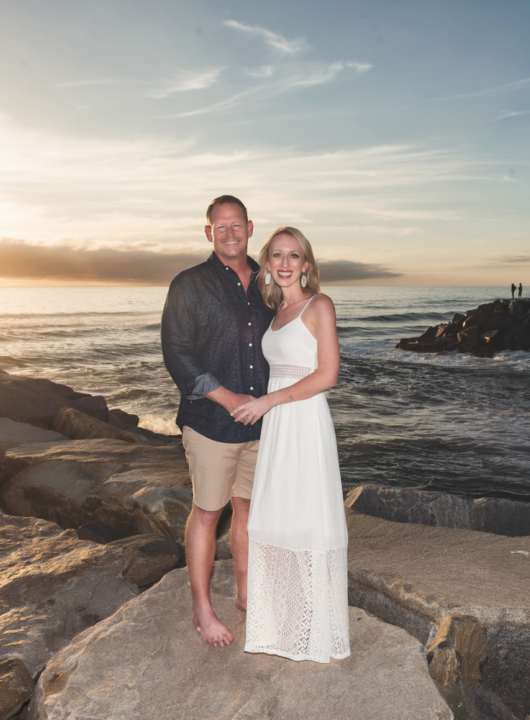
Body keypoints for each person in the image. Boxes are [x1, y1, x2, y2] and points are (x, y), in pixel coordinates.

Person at [231, 227, 350, 663]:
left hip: (302, 418)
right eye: (277, 255)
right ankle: (287, 621)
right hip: (277, 420)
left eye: (293, 256)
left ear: (306, 264)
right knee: (276, 514)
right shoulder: (275, 310)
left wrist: (268, 401)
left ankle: (317, 630)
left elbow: (327, 375)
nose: (284, 264)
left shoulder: (319, 305)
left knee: (307, 515)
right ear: (267, 263)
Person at [160, 195, 275, 647]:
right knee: (208, 513)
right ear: (209, 233)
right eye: (219, 227)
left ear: (250, 227)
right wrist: (229, 399)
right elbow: (177, 354)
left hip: (261, 423)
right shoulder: (189, 284)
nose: (229, 233)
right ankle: (202, 609)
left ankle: (246, 593)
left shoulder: (268, 284)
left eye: (237, 225)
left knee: (247, 509)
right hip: (211, 420)